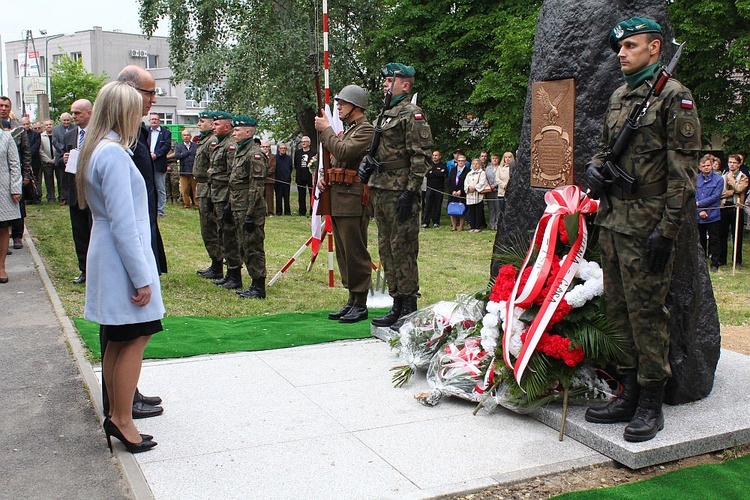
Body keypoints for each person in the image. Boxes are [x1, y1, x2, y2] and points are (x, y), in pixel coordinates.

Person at [584, 17, 701, 442]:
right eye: (620, 47)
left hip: (648, 224)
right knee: (618, 311)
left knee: (648, 313)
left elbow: (683, 172)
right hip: (614, 221)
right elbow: (603, 150)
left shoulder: (675, 97)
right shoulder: (619, 96)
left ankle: (651, 400)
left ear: (655, 48)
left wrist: (667, 231)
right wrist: (597, 168)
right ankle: (627, 390)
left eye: (631, 46)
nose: (622, 53)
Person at [77, 81, 165, 454]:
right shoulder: (112, 154)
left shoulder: (98, 148)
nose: (142, 115)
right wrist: (142, 277)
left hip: (110, 254)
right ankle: (123, 419)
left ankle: (117, 413)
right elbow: (124, 222)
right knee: (133, 339)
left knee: (119, 338)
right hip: (121, 258)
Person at [114, 65, 168, 419]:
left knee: (132, 329)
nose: (152, 100)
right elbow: (120, 212)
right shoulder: (118, 141)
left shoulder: (135, 132)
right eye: (149, 93)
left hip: (142, 230)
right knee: (127, 331)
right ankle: (122, 403)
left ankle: (127, 393)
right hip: (128, 239)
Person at [365, 63, 433, 331]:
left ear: (405, 84)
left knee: (403, 248)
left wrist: (411, 190)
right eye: (385, 80)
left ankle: (408, 307)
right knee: (387, 248)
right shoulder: (385, 114)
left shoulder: (411, 114)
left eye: (390, 80)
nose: (385, 84)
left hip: (400, 190)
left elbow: (422, 155)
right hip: (381, 188)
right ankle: (396, 302)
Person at [314, 84, 375, 323]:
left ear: (355, 107)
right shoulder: (349, 130)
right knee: (343, 252)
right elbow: (337, 158)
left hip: (353, 200)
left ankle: (360, 302)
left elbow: (344, 151)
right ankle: (352, 299)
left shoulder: (365, 130)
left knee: (355, 251)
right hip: (340, 198)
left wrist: (327, 129)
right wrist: (325, 176)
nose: (338, 106)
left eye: (342, 103)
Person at [229, 116, 268, 299]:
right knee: (244, 245)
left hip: (250, 208)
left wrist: (251, 214)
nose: (234, 133)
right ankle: (253, 283)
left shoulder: (254, 154)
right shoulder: (240, 151)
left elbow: (256, 187)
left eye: (237, 130)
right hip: (239, 205)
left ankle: (259, 286)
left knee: (253, 247)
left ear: (248, 132)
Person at [59, 99, 94, 284]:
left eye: (77, 113)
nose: (73, 117)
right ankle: (84, 270)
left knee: (94, 232)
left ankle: (98, 270)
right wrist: (63, 159)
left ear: (89, 113)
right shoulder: (70, 135)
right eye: (72, 113)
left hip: (93, 190)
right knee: (79, 232)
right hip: (75, 191)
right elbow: (61, 162)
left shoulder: (98, 134)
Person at [209, 111, 242, 290]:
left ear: (227, 127)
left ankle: (235, 273)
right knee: (223, 234)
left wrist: (230, 200)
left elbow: (232, 176)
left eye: (217, 124)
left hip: (225, 195)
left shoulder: (230, 146)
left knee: (230, 235)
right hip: (217, 194)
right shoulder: (220, 143)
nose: (213, 127)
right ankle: (229, 272)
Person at [193, 111, 224, 280]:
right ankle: (215, 263)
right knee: (207, 228)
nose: (199, 124)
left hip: (209, 189)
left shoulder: (212, 142)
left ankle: (218, 264)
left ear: (212, 124)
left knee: (210, 228)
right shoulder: (205, 140)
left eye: (202, 121)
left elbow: (215, 167)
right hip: (203, 188)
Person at [0, 98, 32, 250]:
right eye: (1, 106)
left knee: (18, 204)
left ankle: (18, 235)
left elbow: (26, 152)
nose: (3, 108)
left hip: (15, 171)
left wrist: (26, 174)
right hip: (3, 171)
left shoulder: (18, 128)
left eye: (6, 106)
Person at [695, 154, 724, 272]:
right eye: (703, 166)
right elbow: (694, 194)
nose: (706, 167)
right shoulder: (696, 178)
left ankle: (715, 263)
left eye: (708, 165)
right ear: (699, 167)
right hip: (698, 214)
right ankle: (701, 262)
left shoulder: (719, 180)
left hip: (712, 214)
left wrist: (700, 205)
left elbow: (716, 196)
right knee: (700, 239)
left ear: (712, 166)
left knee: (714, 239)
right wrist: (700, 210)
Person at [0, 127, 21, 283]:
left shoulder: (6, 138)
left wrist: (15, 188)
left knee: (2, 227)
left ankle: (1, 267)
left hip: (3, 190)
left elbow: (14, 164)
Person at [719, 154, 747, 266]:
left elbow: (740, 188)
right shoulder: (723, 176)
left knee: (737, 235)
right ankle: (722, 259)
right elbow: (719, 192)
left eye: (734, 162)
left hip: (737, 207)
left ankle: (737, 260)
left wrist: (731, 183)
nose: (732, 164)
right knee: (722, 234)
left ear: (739, 164)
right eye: (730, 162)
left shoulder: (743, 176)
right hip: (724, 206)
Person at [147, 113, 172, 217]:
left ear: (159, 121)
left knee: (160, 188)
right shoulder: (145, 131)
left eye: (156, 119)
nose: (154, 121)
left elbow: (167, 146)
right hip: (147, 163)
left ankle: (160, 210)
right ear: (149, 121)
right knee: (148, 186)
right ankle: (149, 209)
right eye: (152, 119)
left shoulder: (165, 133)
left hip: (159, 163)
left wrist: (156, 154)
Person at [52, 112, 75, 205]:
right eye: (64, 120)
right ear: (61, 120)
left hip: (72, 155)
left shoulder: (75, 128)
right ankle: (63, 197)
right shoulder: (56, 129)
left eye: (68, 120)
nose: (66, 122)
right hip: (60, 157)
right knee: (61, 178)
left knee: (71, 178)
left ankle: (71, 197)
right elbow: (54, 142)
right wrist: (63, 150)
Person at [464, 158, 490, 232]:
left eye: (477, 163)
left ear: (480, 164)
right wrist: (468, 188)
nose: (475, 165)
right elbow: (466, 182)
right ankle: (472, 226)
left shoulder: (482, 173)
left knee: (478, 211)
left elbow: (482, 182)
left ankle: (478, 226)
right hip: (470, 195)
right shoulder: (469, 173)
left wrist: (475, 187)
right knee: (471, 211)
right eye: (474, 164)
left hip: (478, 195)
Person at [422, 150, 446, 228]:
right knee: (428, 205)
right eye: (433, 155)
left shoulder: (443, 165)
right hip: (429, 188)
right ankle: (426, 222)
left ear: (439, 156)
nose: (434, 157)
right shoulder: (429, 165)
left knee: (437, 205)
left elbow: (442, 175)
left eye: (436, 155)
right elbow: (427, 174)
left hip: (439, 188)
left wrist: (433, 172)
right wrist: (436, 172)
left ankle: (436, 222)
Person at [174, 129, 198, 208]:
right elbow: (177, 156)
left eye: (188, 135)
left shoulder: (195, 146)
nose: (186, 137)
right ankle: (186, 203)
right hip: (184, 170)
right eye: (184, 135)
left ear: (190, 136)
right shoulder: (179, 146)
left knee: (195, 188)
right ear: (182, 137)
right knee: (185, 189)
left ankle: (196, 203)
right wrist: (186, 153)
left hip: (193, 170)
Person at [20, 117, 42, 204]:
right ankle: (26, 197)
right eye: (24, 124)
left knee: (36, 179)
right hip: (23, 161)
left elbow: (37, 145)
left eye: (27, 124)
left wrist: (28, 155)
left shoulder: (36, 134)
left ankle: (36, 197)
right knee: (25, 180)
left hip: (34, 160)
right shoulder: (19, 134)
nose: (26, 126)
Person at [294, 136, 316, 216]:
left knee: (312, 194)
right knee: (301, 195)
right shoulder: (298, 153)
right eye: (302, 141)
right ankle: (302, 211)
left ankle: (312, 211)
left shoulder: (313, 153)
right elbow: (296, 164)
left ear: (309, 143)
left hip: (310, 177)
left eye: (305, 141)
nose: (303, 143)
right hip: (300, 176)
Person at [447, 154, 469, 232]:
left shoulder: (467, 171)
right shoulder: (453, 170)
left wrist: (461, 191)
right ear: (457, 161)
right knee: (452, 208)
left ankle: (461, 226)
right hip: (453, 192)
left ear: (465, 162)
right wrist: (452, 191)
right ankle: (454, 226)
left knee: (462, 209)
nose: (461, 162)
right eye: (459, 161)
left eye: (462, 161)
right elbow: (449, 181)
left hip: (462, 193)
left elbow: (467, 182)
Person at [274, 143, 292, 215]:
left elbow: (290, 168)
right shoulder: (275, 158)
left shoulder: (288, 158)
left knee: (287, 197)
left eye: (284, 148)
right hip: (277, 180)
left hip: (286, 180)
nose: (283, 149)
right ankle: (279, 212)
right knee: (278, 197)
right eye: (281, 148)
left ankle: (287, 212)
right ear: (279, 149)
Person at [261, 140, 276, 216]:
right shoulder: (258, 155)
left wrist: (264, 174)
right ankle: (262, 212)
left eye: (266, 147)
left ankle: (271, 212)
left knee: (269, 197)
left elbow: (272, 168)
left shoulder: (273, 156)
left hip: (269, 180)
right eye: (263, 147)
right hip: (260, 180)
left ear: (269, 147)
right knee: (261, 197)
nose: (265, 148)